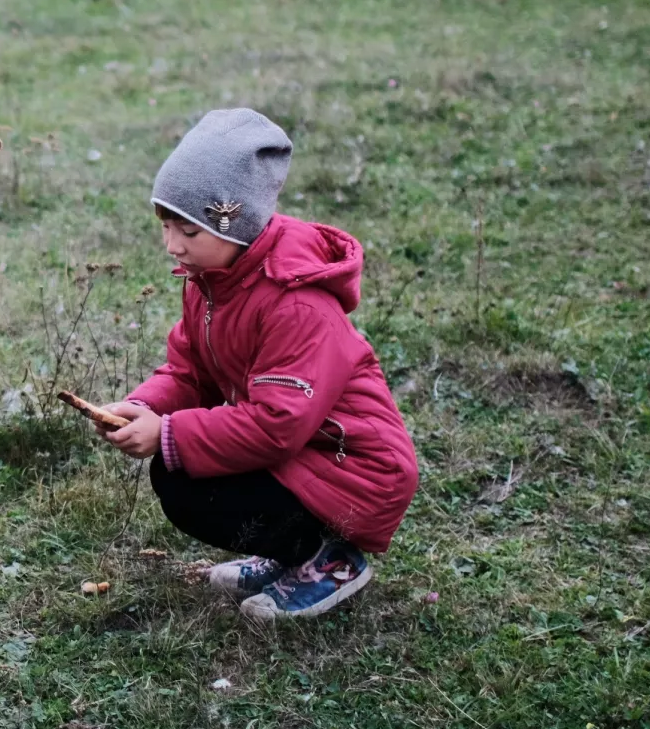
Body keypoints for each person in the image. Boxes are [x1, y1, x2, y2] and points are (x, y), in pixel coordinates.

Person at [99, 108, 418, 619]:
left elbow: (277, 424)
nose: (171, 246)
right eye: (165, 225)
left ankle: (326, 560)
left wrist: (166, 433)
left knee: (186, 485)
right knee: (180, 474)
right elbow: (189, 373)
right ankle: (289, 554)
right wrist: (142, 405)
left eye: (188, 230)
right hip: (301, 453)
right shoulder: (212, 278)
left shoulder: (296, 303)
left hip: (354, 467)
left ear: (237, 222)